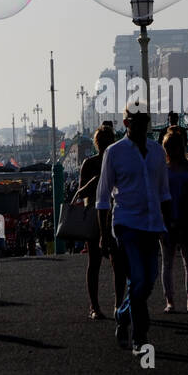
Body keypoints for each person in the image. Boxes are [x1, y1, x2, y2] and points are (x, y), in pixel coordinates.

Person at [96, 101, 172, 353]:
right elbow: (103, 197)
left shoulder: (157, 152)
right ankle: (140, 335)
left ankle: (122, 313)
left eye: (145, 122)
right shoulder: (115, 153)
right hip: (126, 223)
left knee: (148, 281)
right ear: (127, 123)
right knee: (138, 277)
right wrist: (104, 235)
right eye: (136, 122)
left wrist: (170, 224)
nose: (141, 127)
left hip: (151, 224)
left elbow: (164, 193)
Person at [75, 124, 125, 319]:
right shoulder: (89, 164)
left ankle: (118, 305)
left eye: (107, 142)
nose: (104, 145)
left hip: (113, 214)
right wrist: (96, 180)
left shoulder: (116, 162)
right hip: (94, 216)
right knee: (94, 261)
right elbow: (81, 193)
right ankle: (94, 306)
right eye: (102, 142)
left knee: (117, 263)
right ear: (97, 144)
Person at [161, 126, 188, 314]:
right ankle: (181, 299)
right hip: (175, 220)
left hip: (183, 220)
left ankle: (185, 299)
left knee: (180, 263)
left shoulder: (169, 170)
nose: (172, 151)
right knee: (182, 263)